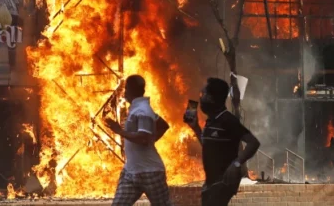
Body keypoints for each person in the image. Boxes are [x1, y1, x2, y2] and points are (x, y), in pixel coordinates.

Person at [185, 77, 260, 206]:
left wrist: (236, 163)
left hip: (222, 183)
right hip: (211, 182)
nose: (200, 98)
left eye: (203, 94)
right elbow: (209, 146)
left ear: (212, 98)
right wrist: (196, 128)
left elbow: (253, 142)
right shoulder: (211, 120)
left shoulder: (228, 120)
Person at [104, 75, 172, 206]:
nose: (124, 92)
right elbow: (163, 125)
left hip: (150, 172)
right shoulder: (138, 108)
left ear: (131, 90)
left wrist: (120, 131)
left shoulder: (142, 111)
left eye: (126, 88)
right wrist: (151, 139)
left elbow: (143, 138)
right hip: (131, 171)